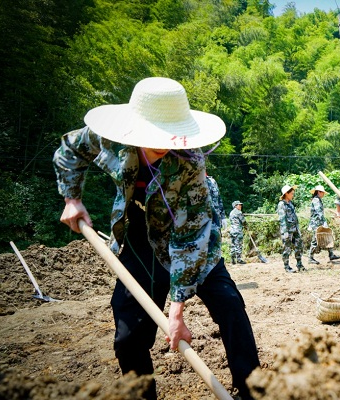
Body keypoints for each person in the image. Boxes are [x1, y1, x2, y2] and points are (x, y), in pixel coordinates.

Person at [52, 77, 260, 400]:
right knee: (128, 337)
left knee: (231, 306)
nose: (164, 143)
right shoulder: (110, 140)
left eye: (170, 133)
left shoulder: (191, 161)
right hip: (140, 238)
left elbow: (190, 236)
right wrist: (72, 199)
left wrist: (176, 311)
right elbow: (69, 149)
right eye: (155, 135)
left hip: (193, 242)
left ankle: (252, 391)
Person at [307, 185, 340, 264]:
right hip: (316, 223)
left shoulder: (318, 200)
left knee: (327, 237)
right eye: (323, 193)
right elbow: (319, 212)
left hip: (319, 222)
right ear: (319, 192)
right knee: (315, 240)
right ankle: (310, 258)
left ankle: (331, 254)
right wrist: (324, 222)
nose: (323, 194)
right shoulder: (316, 200)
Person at [277, 184, 305, 273]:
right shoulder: (282, 204)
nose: (293, 195)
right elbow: (282, 219)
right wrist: (285, 232)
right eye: (292, 193)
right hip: (287, 231)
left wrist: (298, 229)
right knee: (287, 249)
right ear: (286, 194)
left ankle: (299, 264)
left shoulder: (290, 204)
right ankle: (287, 266)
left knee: (299, 246)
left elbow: (294, 217)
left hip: (294, 229)